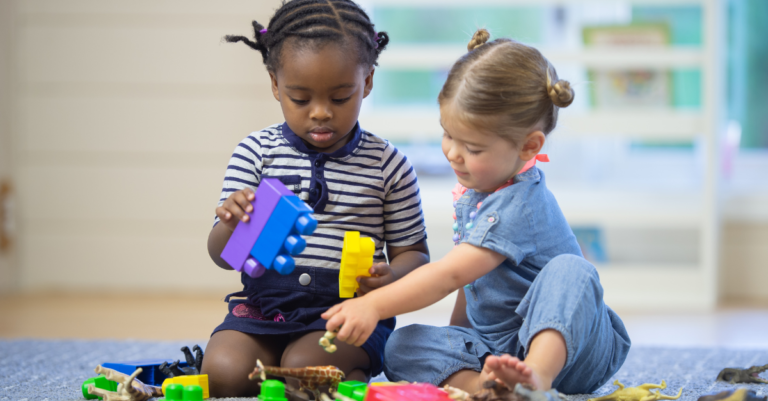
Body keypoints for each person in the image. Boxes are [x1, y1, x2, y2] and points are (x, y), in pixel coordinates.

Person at [322, 29, 631, 395]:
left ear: (528, 146)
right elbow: (470, 282)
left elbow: (449, 275)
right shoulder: (480, 192)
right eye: (447, 134)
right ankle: (488, 387)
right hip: (500, 348)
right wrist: (458, 342)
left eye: (472, 147)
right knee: (401, 345)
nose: (453, 153)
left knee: (572, 270)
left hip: (574, 350)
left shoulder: (519, 204)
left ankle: (535, 378)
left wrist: (373, 305)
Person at [200, 1, 429, 397]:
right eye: (300, 99)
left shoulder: (388, 164)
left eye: (340, 98)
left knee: (304, 371)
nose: (321, 113)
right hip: (263, 307)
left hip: (346, 312)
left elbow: (415, 254)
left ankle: (340, 369)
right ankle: (284, 367)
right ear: (276, 85)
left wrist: (390, 278)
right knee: (222, 373)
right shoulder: (256, 152)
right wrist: (231, 225)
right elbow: (223, 257)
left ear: (367, 81)